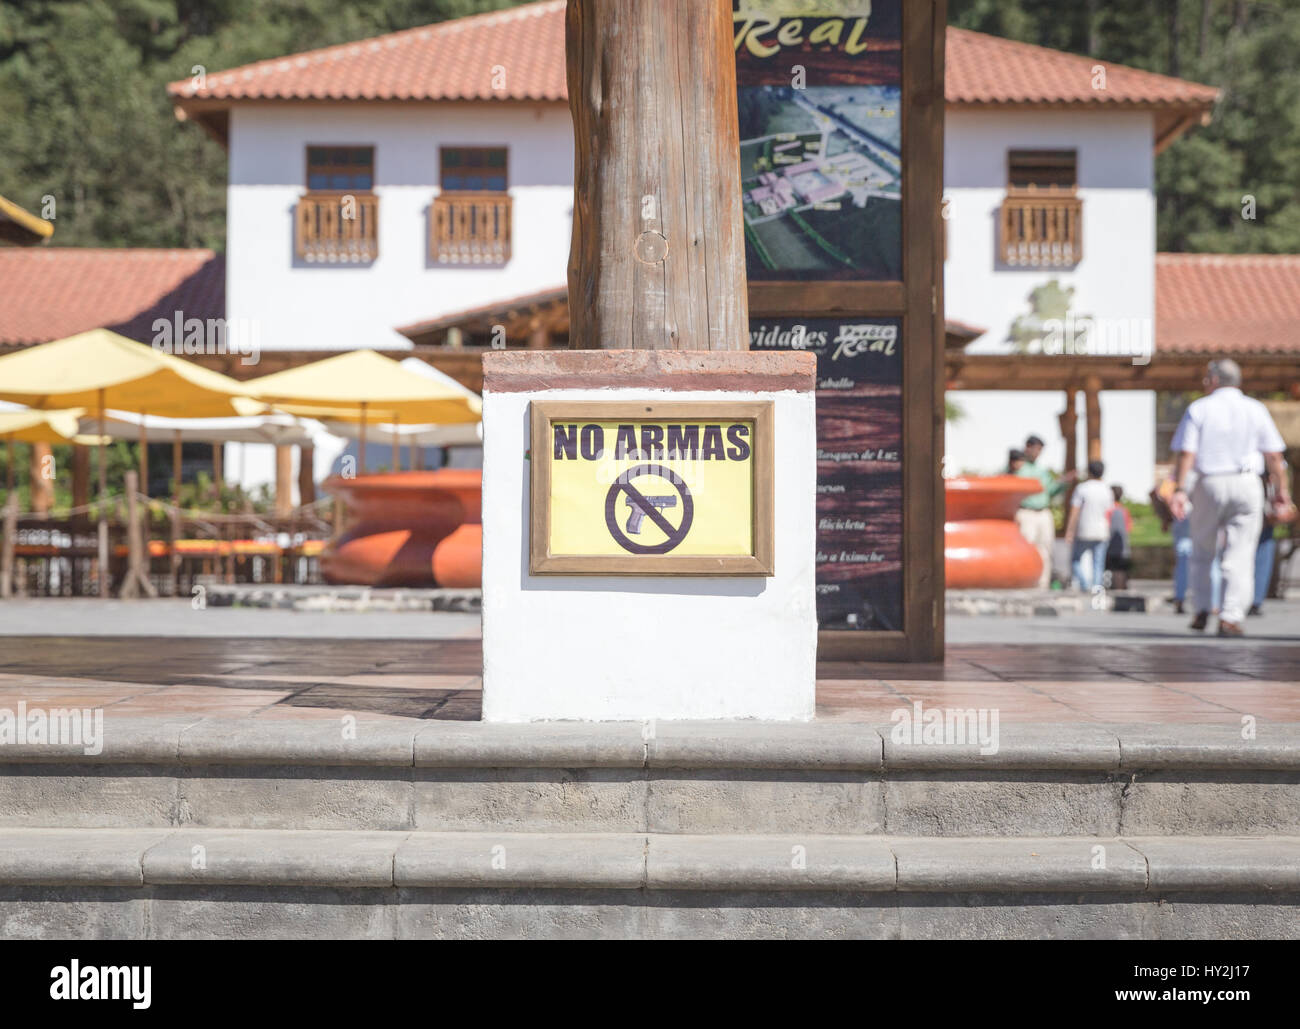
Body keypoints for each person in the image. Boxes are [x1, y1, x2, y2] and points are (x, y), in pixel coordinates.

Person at [1168, 359, 1291, 636]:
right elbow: (1274, 455)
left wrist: (1179, 490)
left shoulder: (1199, 408)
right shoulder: (1255, 409)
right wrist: (1282, 492)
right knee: (1241, 552)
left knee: (1202, 550)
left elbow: (1187, 453)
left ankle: (1201, 608)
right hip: (1247, 483)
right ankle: (1230, 616)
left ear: (1212, 380)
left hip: (1209, 482)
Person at [1015, 434, 1075, 588]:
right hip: (1026, 512)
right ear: (1027, 448)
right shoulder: (1019, 468)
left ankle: (1042, 583)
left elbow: (1051, 490)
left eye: (1040, 450)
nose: (1037, 453)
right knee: (1026, 547)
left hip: (1043, 513)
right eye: (1035, 449)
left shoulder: (1042, 471)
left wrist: (1064, 482)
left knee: (1045, 549)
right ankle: (1024, 580)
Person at [1065, 460, 1111, 592]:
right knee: (1098, 563)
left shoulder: (1082, 488)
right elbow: (1109, 512)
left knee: (1075, 560)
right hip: (1102, 531)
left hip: (1084, 530)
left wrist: (1070, 530)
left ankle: (1085, 585)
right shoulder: (1106, 490)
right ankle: (1096, 590)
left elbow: (1075, 511)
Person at [1105, 484, 1132, 590]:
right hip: (1124, 548)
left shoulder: (1108, 511)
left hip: (1110, 548)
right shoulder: (1125, 511)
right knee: (1121, 572)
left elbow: (1106, 527)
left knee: (1110, 571)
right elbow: (1128, 528)